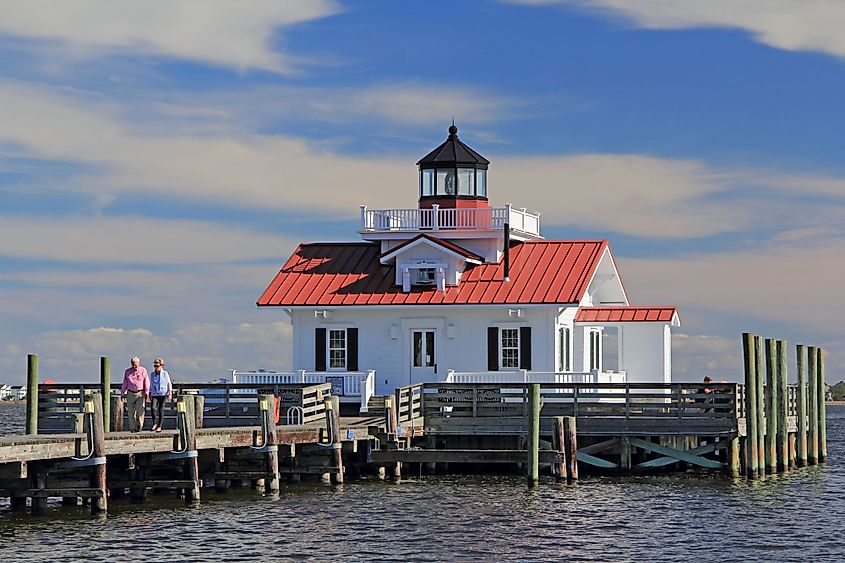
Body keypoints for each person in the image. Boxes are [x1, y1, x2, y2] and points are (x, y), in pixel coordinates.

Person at [121, 357, 150, 432]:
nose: (134, 366)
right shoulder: (127, 371)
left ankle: (139, 426)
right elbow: (125, 383)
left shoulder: (143, 370)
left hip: (140, 393)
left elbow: (147, 382)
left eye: (136, 364)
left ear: (138, 363)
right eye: (133, 364)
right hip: (130, 392)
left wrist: (147, 392)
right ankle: (132, 428)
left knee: (140, 410)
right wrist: (122, 393)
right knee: (131, 412)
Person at [149, 357, 173, 432]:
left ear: (161, 366)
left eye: (157, 366)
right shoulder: (152, 374)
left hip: (163, 393)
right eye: (155, 366)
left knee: (161, 409)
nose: (156, 367)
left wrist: (170, 392)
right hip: (155, 393)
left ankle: (160, 425)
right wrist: (150, 392)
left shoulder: (165, 373)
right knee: (153, 408)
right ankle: (154, 423)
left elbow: (169, 383)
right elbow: (151, 384)